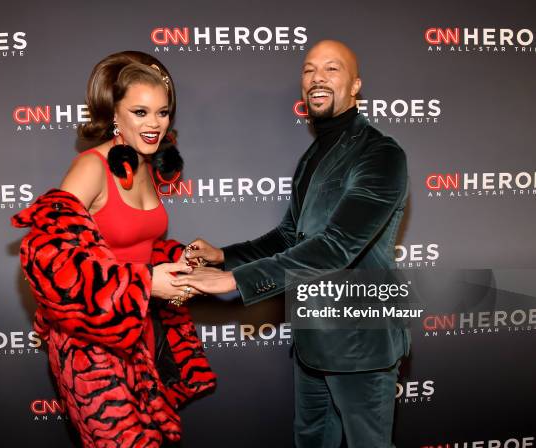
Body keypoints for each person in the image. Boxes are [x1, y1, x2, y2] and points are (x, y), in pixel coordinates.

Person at [172, 40, 409, 447]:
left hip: (359, 344)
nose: (317, 77)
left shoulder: (381, 154)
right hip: (311, 337)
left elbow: (336, 247)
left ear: (355, 86)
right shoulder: (313, 156)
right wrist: (224, 256)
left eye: (331, 69)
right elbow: (288, 236)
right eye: (308, 69)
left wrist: (235, 281)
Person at [11, 51, 216, 448]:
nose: (154, 124)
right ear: (115, 115)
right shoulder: (91, 167)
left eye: (162, 112)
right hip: (88, 343)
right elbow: (48, 256)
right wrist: (144, 285)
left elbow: (131, 243)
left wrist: (174, 259)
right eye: (140, 112)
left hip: (136, 332)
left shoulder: (143, 164)